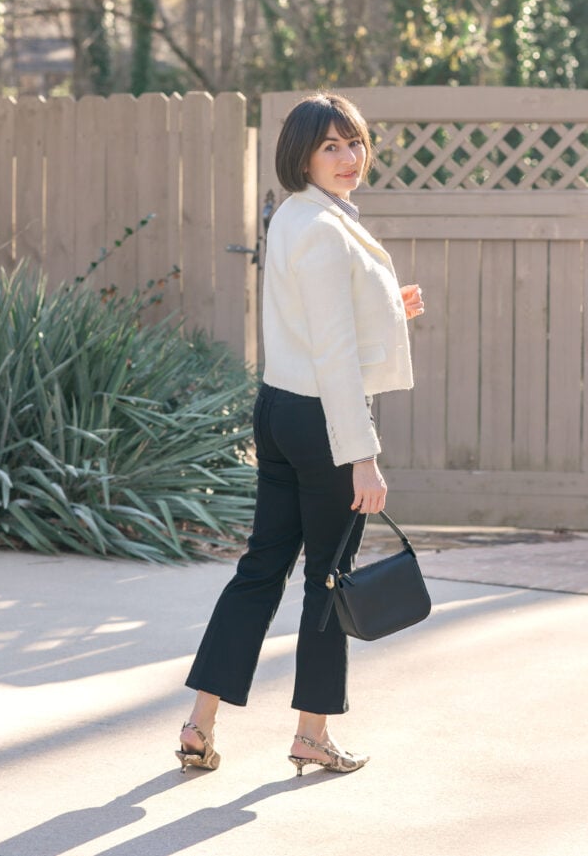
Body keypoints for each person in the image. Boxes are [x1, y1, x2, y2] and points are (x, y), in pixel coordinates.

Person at [176, 92, 424, 777]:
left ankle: (199, 723)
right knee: (326, 577)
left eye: (354, 143)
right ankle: (310, 734)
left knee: (260, 569)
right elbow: (335, 355)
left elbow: (314, 318)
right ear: (303, 155)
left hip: (280, 409)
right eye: (330, 147)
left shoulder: (296, 215)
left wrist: (388, 308)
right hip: (323, 421)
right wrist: (363, 455)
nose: (348, 158)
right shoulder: (320, 226)